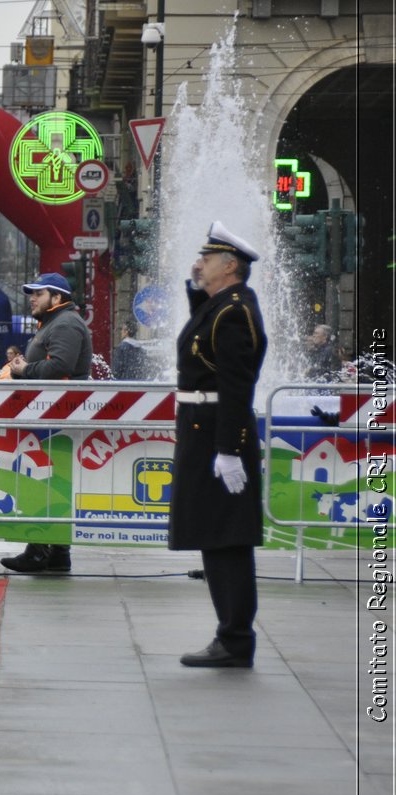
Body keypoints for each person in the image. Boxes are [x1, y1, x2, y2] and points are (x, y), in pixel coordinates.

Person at [169, 222, 268, 668]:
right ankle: (230, 634)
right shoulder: (222, 306)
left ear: (230, 266)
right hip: (202, 427)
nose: (199, 263)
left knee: (228, 538)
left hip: (215, 432)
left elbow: (235, 385)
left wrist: (229, 449)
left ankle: (235, 637)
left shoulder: (235, 311)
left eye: (207, 259)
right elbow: (199, 345)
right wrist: (195, 289)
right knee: (215, 535)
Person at [0, 271, 92, 575]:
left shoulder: (65, 323)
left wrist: (24, 368)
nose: (32, 299)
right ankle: (57, 552)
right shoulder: (56, 323)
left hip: (58, 413)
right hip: (53, 413)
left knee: (47, 476)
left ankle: (39, 550)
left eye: (38, 294)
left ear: (57, 298)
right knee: (54, 476)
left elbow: (60, 366)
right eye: (32, 294)